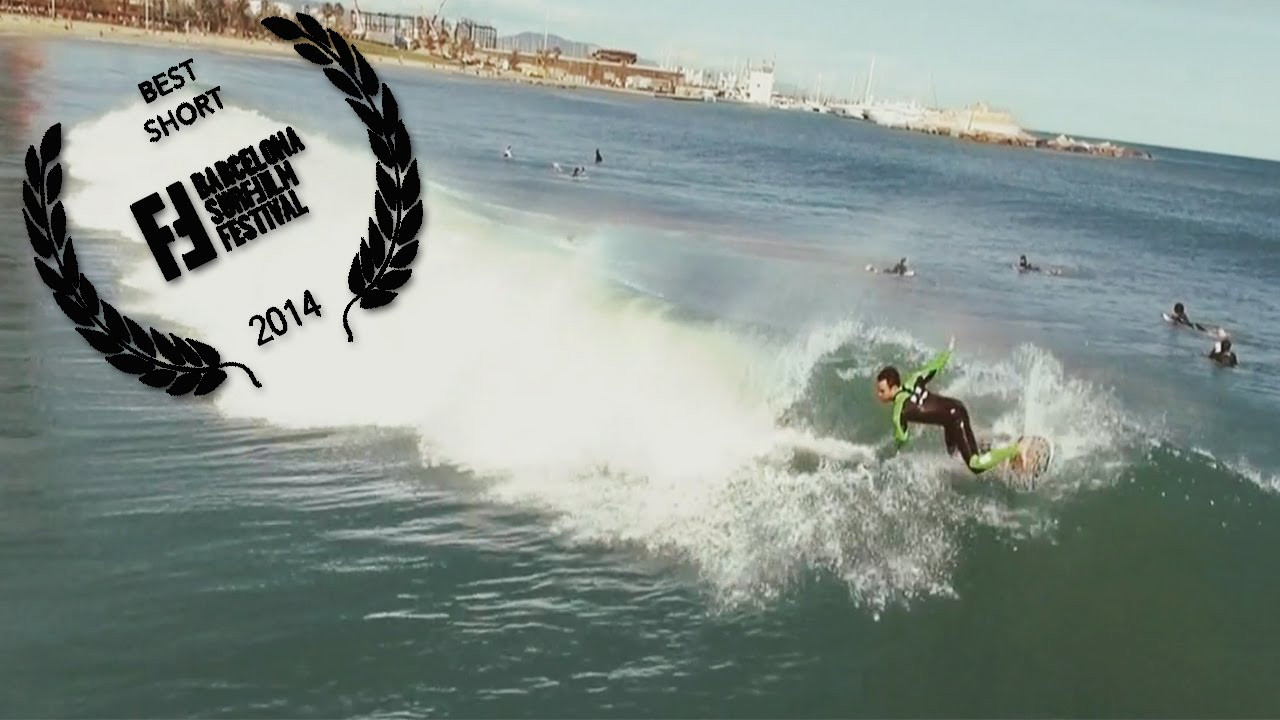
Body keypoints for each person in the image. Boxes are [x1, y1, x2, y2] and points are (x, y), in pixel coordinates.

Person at [875, 338, 1022, 474]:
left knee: (975, 466)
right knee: (954, 454)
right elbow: (934, 367)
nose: (879, 394)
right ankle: (995, 450)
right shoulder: (913, 380)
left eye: (882, 391)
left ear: (894, 388)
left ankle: (1016, 449)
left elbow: (902, 437)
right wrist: (948, 351)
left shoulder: (898, 411)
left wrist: (896, 449)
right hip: (952, 415)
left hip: (956, 418)